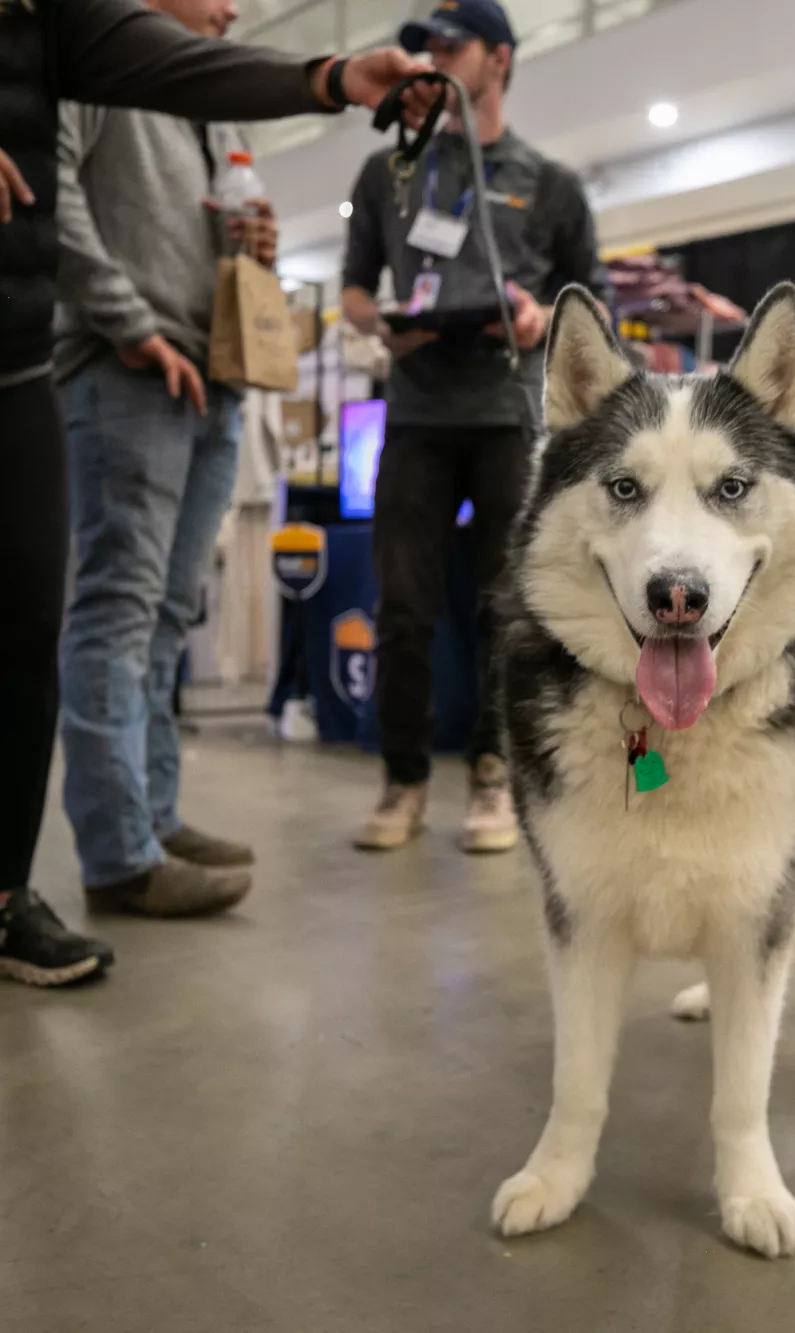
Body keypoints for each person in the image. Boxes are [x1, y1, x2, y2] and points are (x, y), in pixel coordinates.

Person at [0, 0, 435, 1025]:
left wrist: (329, 78)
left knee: (24, 642)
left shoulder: (39, 8)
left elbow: (172, 66)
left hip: (6, 367)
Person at [339, 0, 600, 854]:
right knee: (404, 607)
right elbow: (352, 287)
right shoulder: (389, 174)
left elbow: (585, 304)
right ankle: (403, 780)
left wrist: (539, 320)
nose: (434, 59)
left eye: (451, 46)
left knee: (507, 606)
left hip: (505, 417)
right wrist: (381, 325)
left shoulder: (550, 182)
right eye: (425, 48)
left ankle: (495, 776)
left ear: (500, 58)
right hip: (414, 415)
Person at [53, 0, 274, 918]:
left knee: (169, 611)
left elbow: (227, 209)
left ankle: (154, 814)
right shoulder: (95, 63)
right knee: (118, 606)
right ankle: (118, 853)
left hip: (213, 375)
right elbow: (50, 187)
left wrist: (253, 238)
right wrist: (132, 324)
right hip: (127, 370)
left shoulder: (210, 103)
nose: (231, 9)